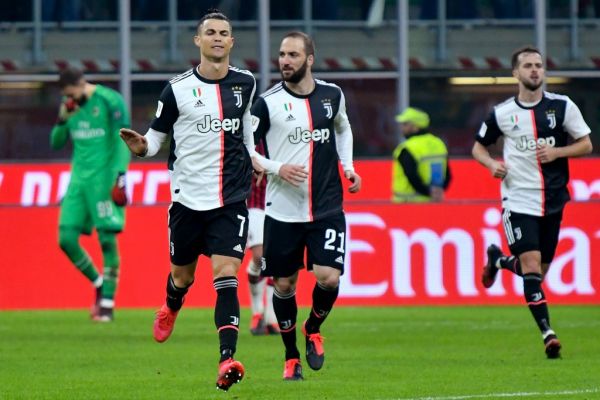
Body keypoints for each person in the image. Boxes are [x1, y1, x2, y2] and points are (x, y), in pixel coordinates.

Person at [119, 10, 260, 391]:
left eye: (224, 33)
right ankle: (171, 306)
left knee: (226, 273)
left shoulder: (246, 84)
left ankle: (226, 359)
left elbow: (246, 134)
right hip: (186, 200)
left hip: (231, 199)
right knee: (182, 277)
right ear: (198, 41)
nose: (217, 38)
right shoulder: (177, 89)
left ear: (232, 42)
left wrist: (258, 162)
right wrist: (142, 147)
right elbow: (156, 139)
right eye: (210, 32)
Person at [251, 31, 362, 381]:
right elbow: (245, 148)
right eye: (282, 55)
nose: (285, 61)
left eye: (293, 55)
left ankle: (313, 327)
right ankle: (290, 357)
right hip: (283, 210)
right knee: (283, 286)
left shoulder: (332, 95)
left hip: (327, 205)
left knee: (328, 277)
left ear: (309, 60)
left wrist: (349, 167)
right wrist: (275, 167)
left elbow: (343, 130)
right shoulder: (266, 104)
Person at [472, 46, 593, 359]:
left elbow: (586, 144)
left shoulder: (562, 107)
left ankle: (497, 260)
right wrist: (491, 165)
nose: (535, 70)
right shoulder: (501, 113)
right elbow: (478, 148)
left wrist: (558, 153)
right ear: (516, 73)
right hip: (518, 198)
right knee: (530, 266)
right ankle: (548, 335)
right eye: (528, 66)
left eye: (539, 65)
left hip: (553, 199)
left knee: (538, 272)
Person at [50, 66, 130, 322]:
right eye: (67, 95)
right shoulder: (69, 105)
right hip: (77, 182)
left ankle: (107, 303)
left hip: (104, 179)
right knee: (66, 239)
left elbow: (123, 139)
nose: (71, 99)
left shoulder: (110, 100)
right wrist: (62, 119)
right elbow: (56, 142)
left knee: (107, 240)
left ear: (82, 84)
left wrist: (120, 174)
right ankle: (98, 283)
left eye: (72, 93)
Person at [246, 140, 279, 336]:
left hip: (279, 204)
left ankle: (271, 317)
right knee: (260, 257)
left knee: (274, 259)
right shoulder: (251, 135)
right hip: (254, 205)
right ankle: (257, 310)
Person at [391, 107, 451, 202]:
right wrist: (438, 192)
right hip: (434, 202)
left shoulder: (407, 148)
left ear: (416, 126)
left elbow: (411, 175)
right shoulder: (439, 143)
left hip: (407, 204)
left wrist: (428, 192)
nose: (402, 127)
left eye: (405, 124)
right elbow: (447, 174)